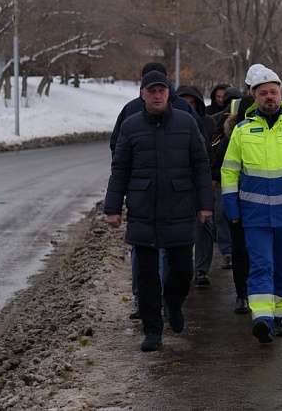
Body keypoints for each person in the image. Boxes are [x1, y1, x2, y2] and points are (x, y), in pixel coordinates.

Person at [104, 70, 214, 352]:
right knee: (147, 274)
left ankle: (174, 303)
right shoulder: (130, 126)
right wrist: (113, 208)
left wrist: (204, 204)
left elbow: (200, 165)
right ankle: (152, 329)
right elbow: (120, 171)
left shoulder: (186, 123)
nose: (156, 95)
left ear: (168, 94)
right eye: (151, 90)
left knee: (182, 270)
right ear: (142, 94)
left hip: (179, 207)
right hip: (143, 208)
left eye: (161, 90)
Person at [221, 66, 282, 343]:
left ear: (281, 94)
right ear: (253, 96)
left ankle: (277, 318)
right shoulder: (242, 131)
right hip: (255, 215)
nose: (269, 97)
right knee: (261, 265)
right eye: (263, 93)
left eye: (273, 92)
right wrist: (231, 208)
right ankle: (261, 318)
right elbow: (229, 170)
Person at [211, 92, 252, 314]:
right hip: (237, 203)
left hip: (261, 205)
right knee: (240, 249)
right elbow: (217, 167)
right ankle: (242, 294)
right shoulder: (230, 139)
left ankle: (258, 292)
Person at [176, 84, 217, 287]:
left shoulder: (207, 123)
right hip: (176, 187)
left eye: (192, 103)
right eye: (184, 103)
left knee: (204, 226)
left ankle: (201, 269)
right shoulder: (169, 123)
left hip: (199, 183)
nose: (188, 107)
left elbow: (209, 154)